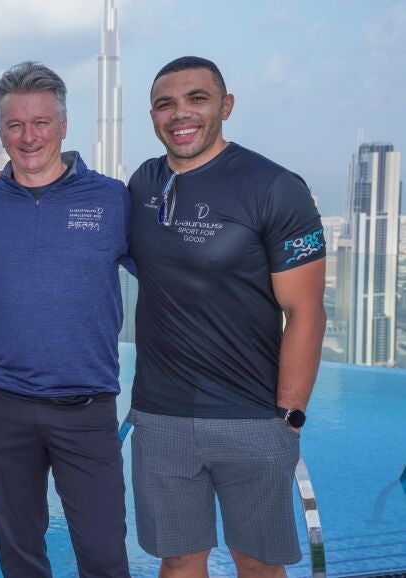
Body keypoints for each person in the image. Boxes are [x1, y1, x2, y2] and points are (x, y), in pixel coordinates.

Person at [126, 56, 326, 577]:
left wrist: (290, 417)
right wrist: (11, 179)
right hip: (161, 417)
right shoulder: (143, 183)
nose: (180, 114)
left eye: (197, 99)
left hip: (253, 418)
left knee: (258, 565)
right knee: (178, 561)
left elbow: (305, 310)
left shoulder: (274, 187)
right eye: (165, 104)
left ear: (226, 106)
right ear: (152, 115)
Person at [0, 61, 131, 577]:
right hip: (2, 406)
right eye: (15, 125)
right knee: (19, 557)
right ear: (1, 132)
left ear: (64, 125)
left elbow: (167, 278)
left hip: (87, 409)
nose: (29, 136)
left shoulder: (111, 200)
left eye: (41, 122)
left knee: (104, 557)